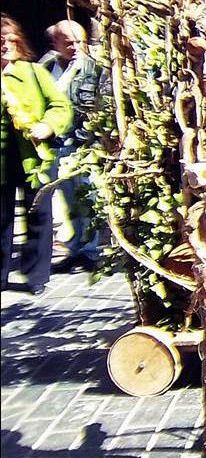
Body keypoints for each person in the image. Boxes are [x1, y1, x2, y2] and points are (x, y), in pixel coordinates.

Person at [1, 14, 73, 295]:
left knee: (39, 215)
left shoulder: (34, 72)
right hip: (3, 161)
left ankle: (36, 275)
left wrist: (48, 126)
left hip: (34, 157)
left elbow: (61, 107)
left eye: (10, 39)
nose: (5, 45)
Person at [44, 20, 109, 274]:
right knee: (69, 200)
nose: (74, 47)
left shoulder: (94, 69)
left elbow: (101, 106)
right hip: (55, 145)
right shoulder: (47, 67)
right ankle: (75, 248)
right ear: (56, 43)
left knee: (89, 198)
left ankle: (91, 251)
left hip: (83, 144)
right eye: (68, 42)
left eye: (78, 41)